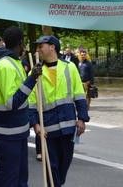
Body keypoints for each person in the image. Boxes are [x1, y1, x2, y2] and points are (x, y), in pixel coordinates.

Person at [0, 27, 42, 187]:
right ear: (21, 43)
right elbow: (12, 102)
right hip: (7, 131)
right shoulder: (6, 66)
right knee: (9, 179)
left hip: (16, 130)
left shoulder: (13, 62)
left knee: (19, 177)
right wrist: (32, 79)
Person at [31, 36, 89, 187]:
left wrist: (82, 118)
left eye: (40, 46)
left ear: (52, 47)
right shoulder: (36, 71)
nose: (37, 50)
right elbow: (31, 101)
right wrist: (35, 124)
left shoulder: (70, 67)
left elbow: (79, 94)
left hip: (68, 126)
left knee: (64, 164)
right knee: (52, 167)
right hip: (48, 127)